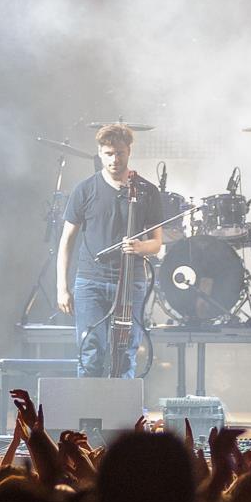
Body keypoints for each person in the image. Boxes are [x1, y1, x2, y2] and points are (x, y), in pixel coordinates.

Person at [57, 123, 163, 378]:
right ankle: (88, 414)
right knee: (90, 352)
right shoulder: (85, 190)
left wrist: (140, 247)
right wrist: (62, 287)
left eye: (120, 153)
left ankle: (122, 416)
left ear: (129, 152)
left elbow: (157, 243)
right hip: (91, 281)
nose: (115, 159)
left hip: (130, 281)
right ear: (100, 153)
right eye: (109, 153)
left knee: (125, 354)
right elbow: (66, 241)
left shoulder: (147, 191)